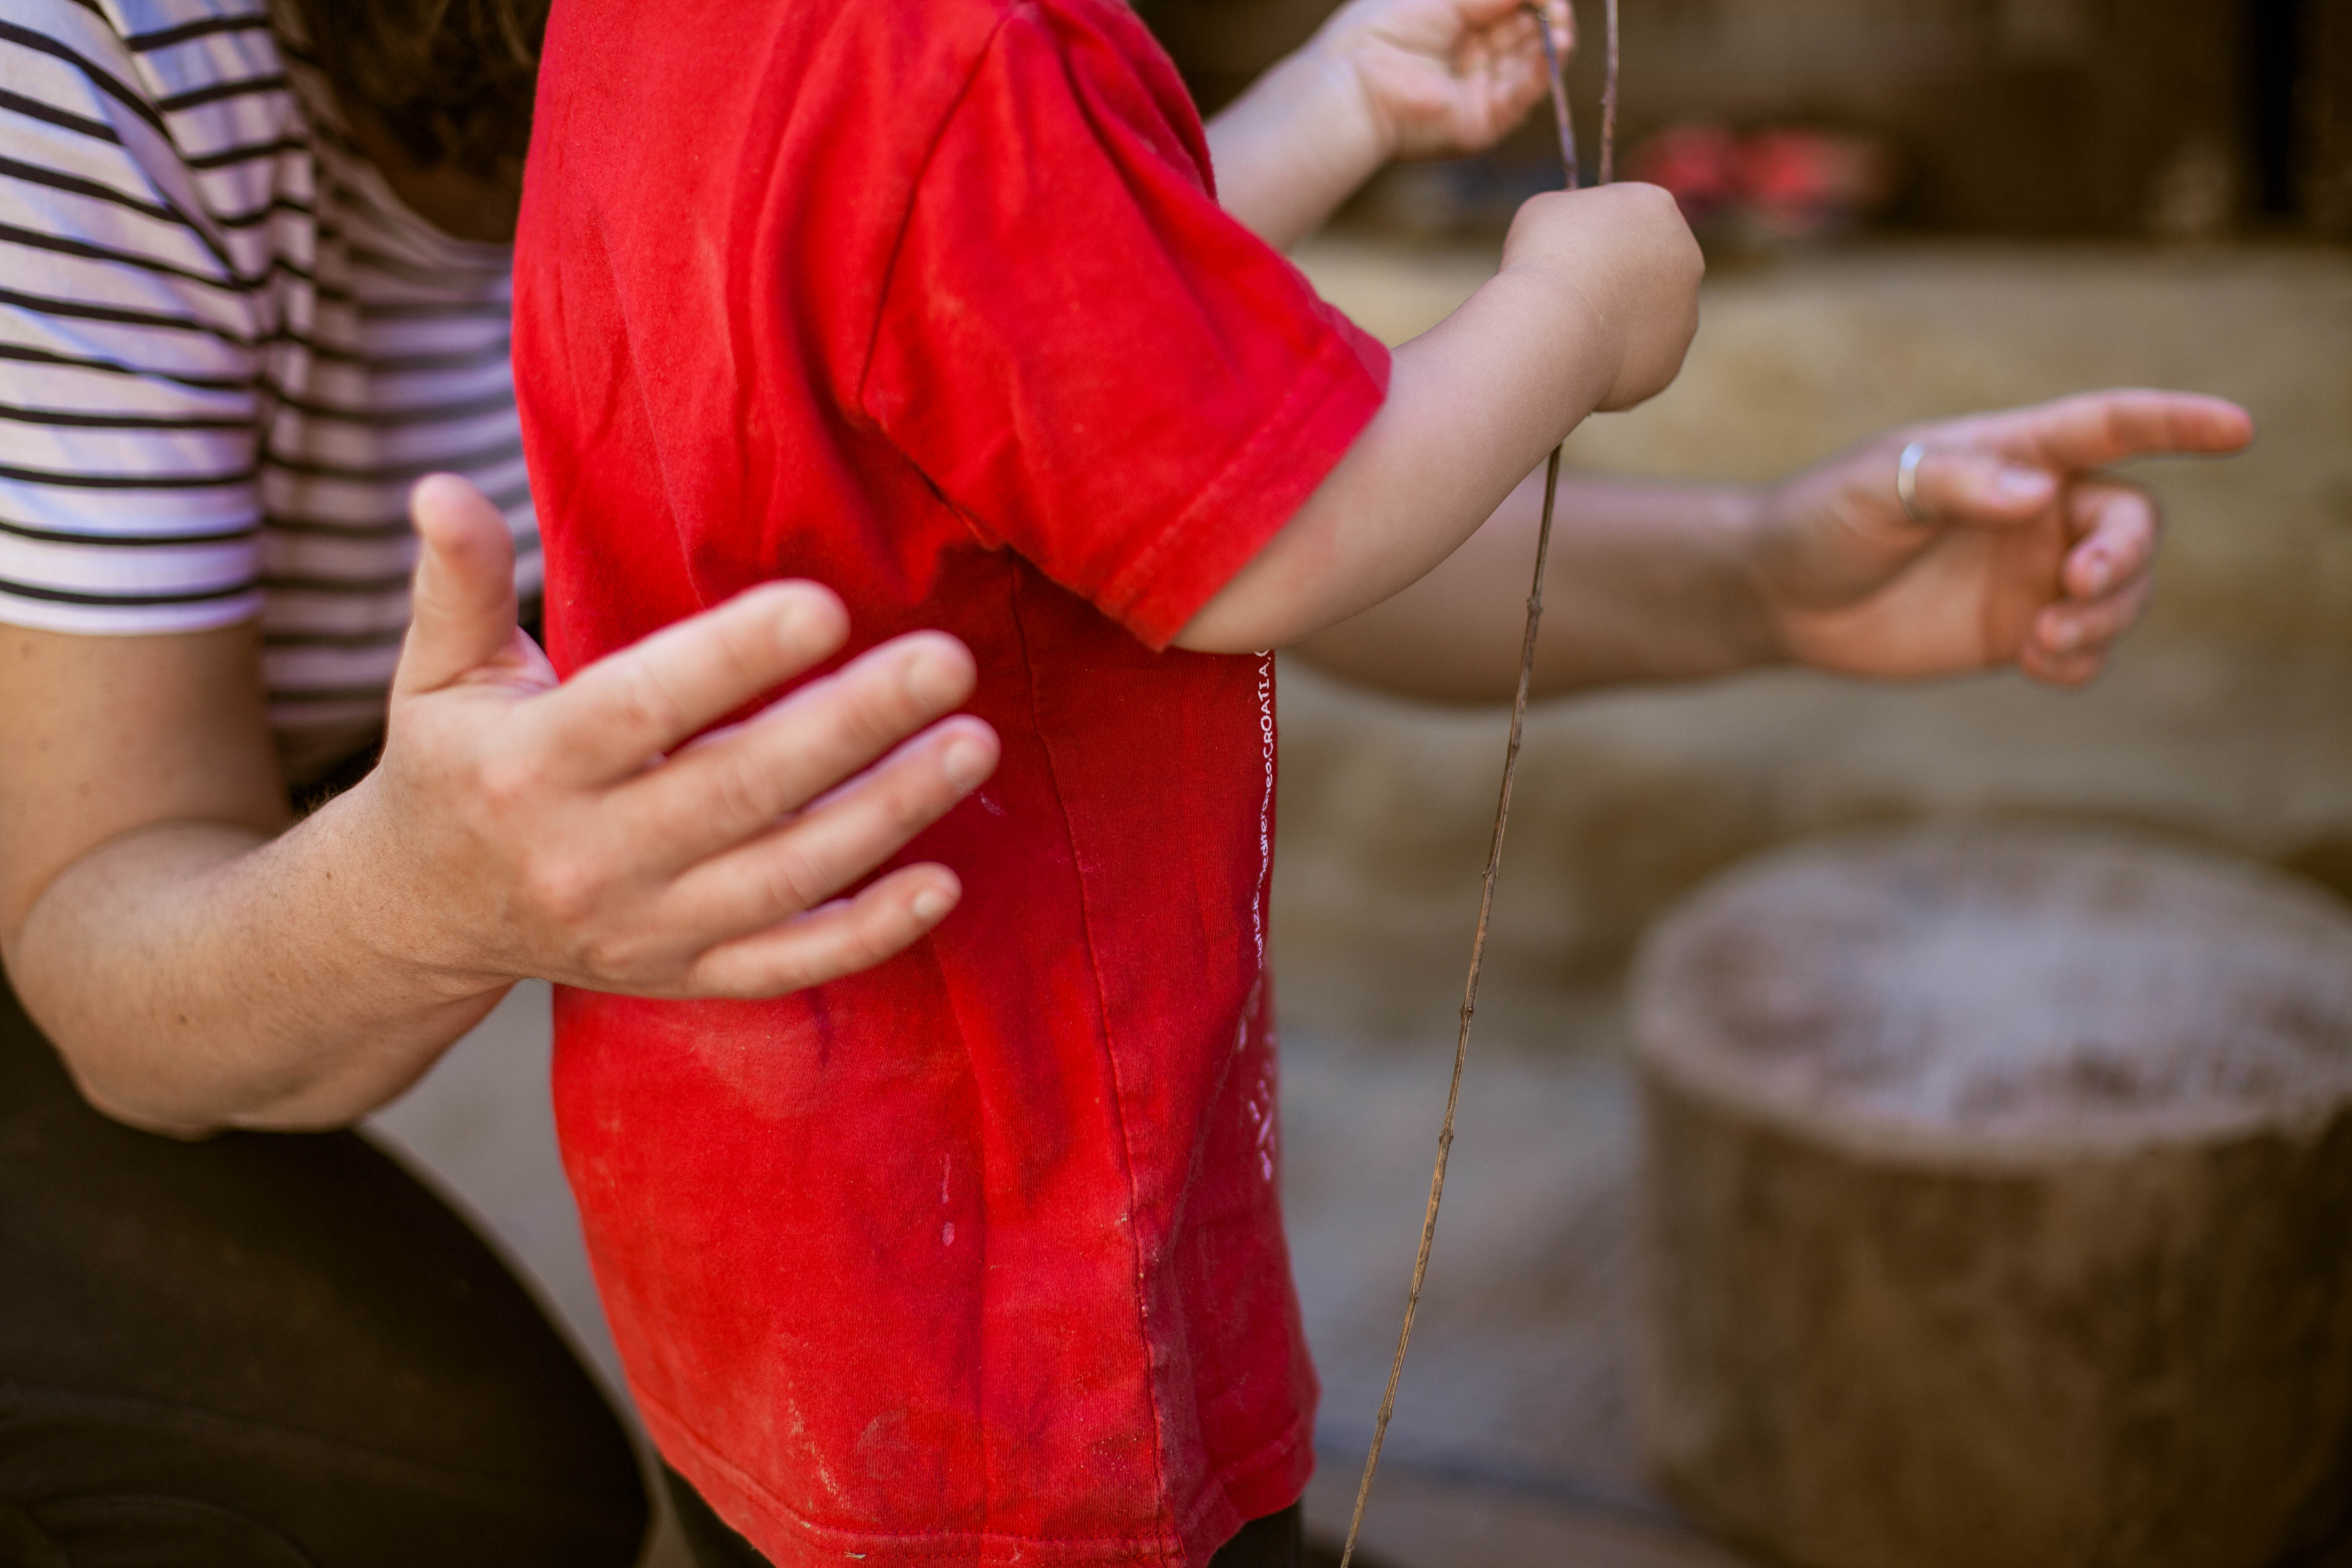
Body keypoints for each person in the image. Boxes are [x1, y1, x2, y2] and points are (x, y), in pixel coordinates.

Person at [511, 0, 2252, 1565]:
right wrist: (1569, 319)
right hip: (998, 1246)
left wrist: (1337, 98)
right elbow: (1268, 543)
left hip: (758, 1209)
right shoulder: (956, 42)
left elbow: (1016, 308)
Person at [0, 2, 1002, 1562]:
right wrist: (416, 906)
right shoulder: (94, 60)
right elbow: (101, 941)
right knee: (446, 1501)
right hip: (69, 867)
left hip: (235, 797)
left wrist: (1515, 340)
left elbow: (1250, 498)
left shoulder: (844, 46)